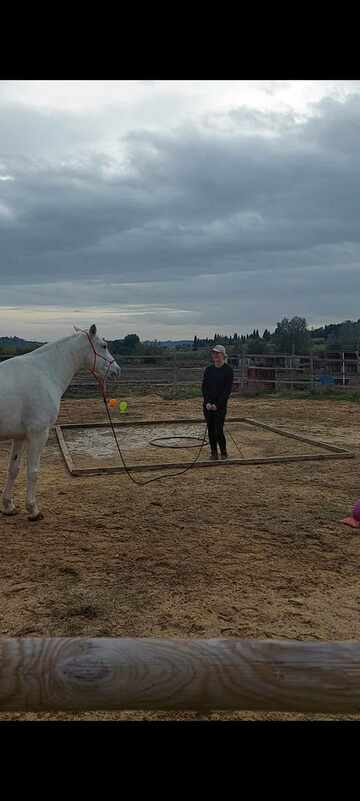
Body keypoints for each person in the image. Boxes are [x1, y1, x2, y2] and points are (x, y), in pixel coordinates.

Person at [202, 344, 234, 460]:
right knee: (210, 429)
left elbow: (227, 391)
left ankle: (224, 452)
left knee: (218, 429)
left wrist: (217, 405)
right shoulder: (209, 370)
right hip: (208, 405)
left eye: (217, 353)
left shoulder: (228, 370)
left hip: (220, 406)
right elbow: (204, 387)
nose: (215, 355)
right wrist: (207, 402)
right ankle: (214, 452)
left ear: (223, 355)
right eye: (213, 353)